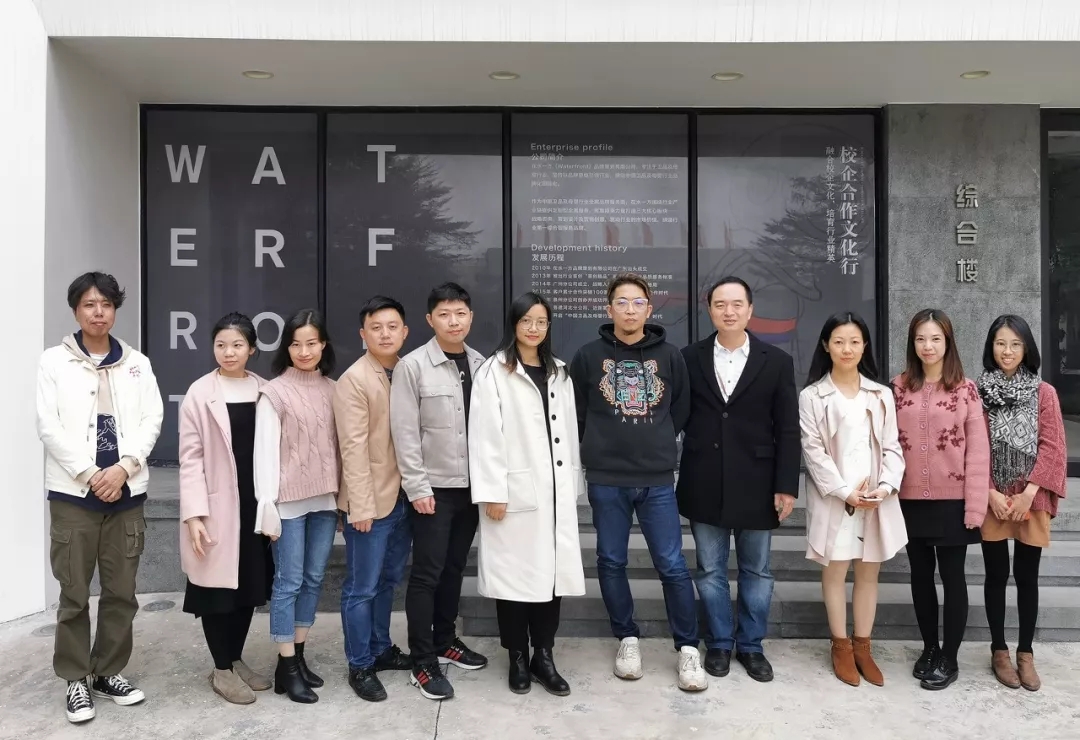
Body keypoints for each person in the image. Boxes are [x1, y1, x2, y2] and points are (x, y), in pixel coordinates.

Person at [569, 273, 706, 692]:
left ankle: (688, 647)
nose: (630, 310)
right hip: (607, 478)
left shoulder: (670, 356)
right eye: (622, 302)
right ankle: (627, 639)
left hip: (657, 479)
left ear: (649, 308)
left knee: (672, 564)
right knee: (611, 560)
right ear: (609, 309)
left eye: (638, 302)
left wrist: (658, 439)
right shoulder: (588, 356)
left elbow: (680, 408)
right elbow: (577, 412)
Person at [37, 272, 163, 724]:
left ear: (115, 309)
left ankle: (108, 672)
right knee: (74, 592)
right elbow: (48, 425)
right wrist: (91, 474)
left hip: (126, 492)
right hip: (74, 494)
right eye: (89, 304)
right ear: (76, 310)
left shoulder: (137, 363)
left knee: (121, 592)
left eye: (106, 304)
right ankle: (75, 677)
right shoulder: (54, 361)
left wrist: (124, 468)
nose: (98, 312)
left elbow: (152, 418)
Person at [677, 276, 800, 684]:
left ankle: (751, 646)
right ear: (709, 309)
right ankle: (718, 643)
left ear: (750, 310)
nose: (728, 311)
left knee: (757, 570)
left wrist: (786, 485)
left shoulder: (776, 361)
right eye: (720, 304)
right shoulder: (689, 358)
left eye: (736, 304)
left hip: (758, 482)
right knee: (709, 570)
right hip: (704, 479)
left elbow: (788, 428)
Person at [469, 293, 586, 696]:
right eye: (526, 321)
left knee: (551, 579)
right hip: (513, 495)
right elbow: (484, 437)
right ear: (514, 324)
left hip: (554, 493)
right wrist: (493, 492)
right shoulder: (493, 371)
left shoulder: (559, 372)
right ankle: (517, 656)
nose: (534, 328)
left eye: (541, 321)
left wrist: (572, 485)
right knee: (514, 580)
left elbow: (569, 431)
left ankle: (544, 655)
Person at [391, 283, 488, 701]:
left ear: (470, 317)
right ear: (430, 320)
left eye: (460, 313)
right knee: (427, 575)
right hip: (433, 490)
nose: (454, 321)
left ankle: (446, 640)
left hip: (471, 489)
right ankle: (422, 660)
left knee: (454, 568)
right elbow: (404, 432)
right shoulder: (413, 366)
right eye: (445, 314)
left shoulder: (481, 364)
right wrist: (417, 487)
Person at [799, 312, 907, 687]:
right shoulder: (812, 396)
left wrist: (885, 487)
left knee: (868, 572)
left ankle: (863, 645)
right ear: (826, 345)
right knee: (835, 571)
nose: (847, 349)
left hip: (875, 499)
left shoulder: (881, 394)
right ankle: (840, 646)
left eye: (855, 341)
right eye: (839, 341)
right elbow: (813, 452)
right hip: (835, 499)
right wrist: (847, 492)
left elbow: (892, 447)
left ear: (865, 347)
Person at [179, 313, 275, 705]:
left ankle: (234, 659)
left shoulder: (265, 390)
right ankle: (221, 669)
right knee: (217, 592)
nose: (228, 352)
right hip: (216, 506)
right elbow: (190, 458)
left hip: (255, 505)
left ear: (251, 348)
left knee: (248, 588)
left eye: (237, 345)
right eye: (221, 345)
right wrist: (194, 514)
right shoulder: (200, 393)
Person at [892, 309, 989, 691]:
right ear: (912, 343)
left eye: (935, 338)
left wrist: (975, 506)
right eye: (920, 338)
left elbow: (978, 452)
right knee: (919, 576)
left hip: (953, 501)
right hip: (909, 499)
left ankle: (950, 657)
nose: (927, 346)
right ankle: (930, 648)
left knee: (952, 578)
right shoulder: (897, 388)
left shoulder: (965, 389)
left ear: (948, 342)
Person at [976, 314, 1067, 692]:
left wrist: (1029, 493)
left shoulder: (1044, 392)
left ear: (1026, 347)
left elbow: (1052, 445)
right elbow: (975, 447)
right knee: (996, 575)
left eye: (1015, 344)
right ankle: (999, 650)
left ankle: (1026, 653)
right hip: (994, 497)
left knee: (1027, 577)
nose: (1007, 351)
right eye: (1000, 343)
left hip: (1032, 496)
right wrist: (990, 492)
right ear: (991, 347)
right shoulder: (978, 391)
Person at [253, 309, 340, 704]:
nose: (304, 351)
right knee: (288, 582)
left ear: (323, 345)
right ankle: (287, 666)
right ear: (286, 348)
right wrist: (267, 505)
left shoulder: (334, 389)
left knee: (314, 578)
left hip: (324, 499)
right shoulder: (274, 392)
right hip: (286, 503)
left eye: (311, 343)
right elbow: (264, 454)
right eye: (295, 344)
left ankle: (296, 657)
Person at [333, 296, 414, 703]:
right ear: (363, 334)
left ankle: (381, 649)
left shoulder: (406, 370)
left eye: (392, 326)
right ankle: (360, 664)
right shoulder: (354, 379)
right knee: (361, 587)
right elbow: (353, 449)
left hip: (404, 498)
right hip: (371, 503)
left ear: (405, 332)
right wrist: (359, 507)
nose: (385, 334)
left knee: (388, 580)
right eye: (376, 327)